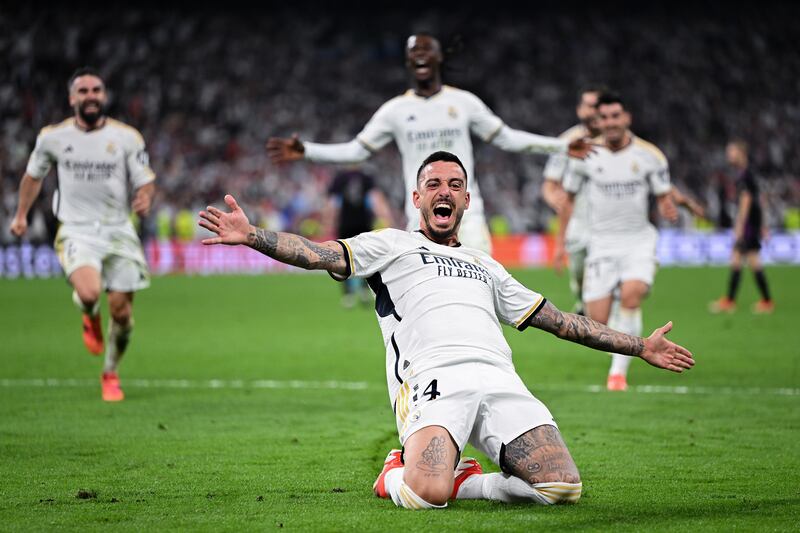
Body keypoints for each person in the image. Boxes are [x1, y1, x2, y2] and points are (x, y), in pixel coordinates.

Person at [198, 150, 694, 510]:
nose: (444, 192)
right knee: (422, 495)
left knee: (561, 489)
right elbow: (318, 252)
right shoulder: (390, 245)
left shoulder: (487, 265)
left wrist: (640, 346)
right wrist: (253, 236)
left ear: (466, 200)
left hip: (500, 379)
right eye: (434, 183)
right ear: (417, 197)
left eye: (454, 184)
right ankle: (395, 473)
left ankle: (466, 483)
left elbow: (561, 322)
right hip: (434, 378)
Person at [267, 33, 593, 255]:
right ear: (409, 63)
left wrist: (561, 146)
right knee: (431, 299)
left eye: (426, 49)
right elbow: (357, 150)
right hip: (420, 217)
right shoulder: (396, 110)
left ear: (439, 57)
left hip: (470, 214)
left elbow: (506, 137)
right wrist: (308, 150)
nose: (420, 55)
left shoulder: (463, 102)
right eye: (413, 52)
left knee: (481, 290)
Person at [10, 67, 155, 402]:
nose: (91, 96)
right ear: (72, 98)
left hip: (119, 229)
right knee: (90, 293)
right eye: (84, 91)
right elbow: (33, 177)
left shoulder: (126, 137)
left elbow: (145, 178)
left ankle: (110, 373)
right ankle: (89, 316)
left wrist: (145, 196)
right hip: (77, 229)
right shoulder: (53, 138)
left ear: (104, 96)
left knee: (122, 314)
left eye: (97, 90)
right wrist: (20, 214)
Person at [559, 92, 679, 392]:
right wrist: (562, 243)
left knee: (631, 295)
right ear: (597, 121)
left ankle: (617, 374)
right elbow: (568, 200)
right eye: (605, 118)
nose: (611, 122)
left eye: (616, 116)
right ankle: (622, 326)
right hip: (601, 244)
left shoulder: (649, 155)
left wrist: (668, 206)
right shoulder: (585, 155)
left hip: (638, 241)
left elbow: (664, 193)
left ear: (626, 118)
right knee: (597, 322)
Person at [543, 86, 604, 315]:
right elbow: (549, 184)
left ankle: (618, 326)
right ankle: (581, 301)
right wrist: (554, 198)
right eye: (589, 105)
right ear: (580, 110)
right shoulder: (567, 141)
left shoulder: (617, 141)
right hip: (577, 222)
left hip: (608, 225)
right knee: (579, 275)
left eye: (598, 106)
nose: (594, 111)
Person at [709, 140, 773, 314]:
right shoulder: (749, 173)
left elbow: (746, 201)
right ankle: (733, 300)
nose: (728, 155)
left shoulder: (745, 175)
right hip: (753, 224)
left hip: (748, 226)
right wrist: (764, 225)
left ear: (740, 153)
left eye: (731, 151)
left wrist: (739, 226)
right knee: (741, 259)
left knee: (749, 260)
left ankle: (760, 301)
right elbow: (761, 199)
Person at [324, 168, 394, 307]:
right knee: (364, 256)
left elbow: (332, 204)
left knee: (343, 258)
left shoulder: (342, 177)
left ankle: (350, 293)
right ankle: (360, 291)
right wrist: (385, 218)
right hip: (361, 223)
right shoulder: (364, 177)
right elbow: (376, 201)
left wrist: (328, 222)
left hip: (348, 224)